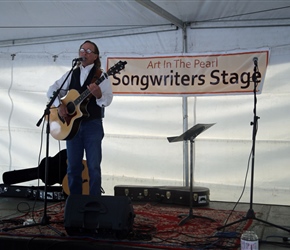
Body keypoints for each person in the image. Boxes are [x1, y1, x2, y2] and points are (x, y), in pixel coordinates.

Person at [47, 40, 113, 196]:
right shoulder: (72, 73)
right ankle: (75, 203)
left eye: (89, 51)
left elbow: (107, 100)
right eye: (82, 50)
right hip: (72, 127)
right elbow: (52, 90)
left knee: (94, 166)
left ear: (95, 56)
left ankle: (95, 201)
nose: (84, 52)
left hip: (92, 126)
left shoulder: (101, 76)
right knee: (73, 166)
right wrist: (60, 105)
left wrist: (98, 95)